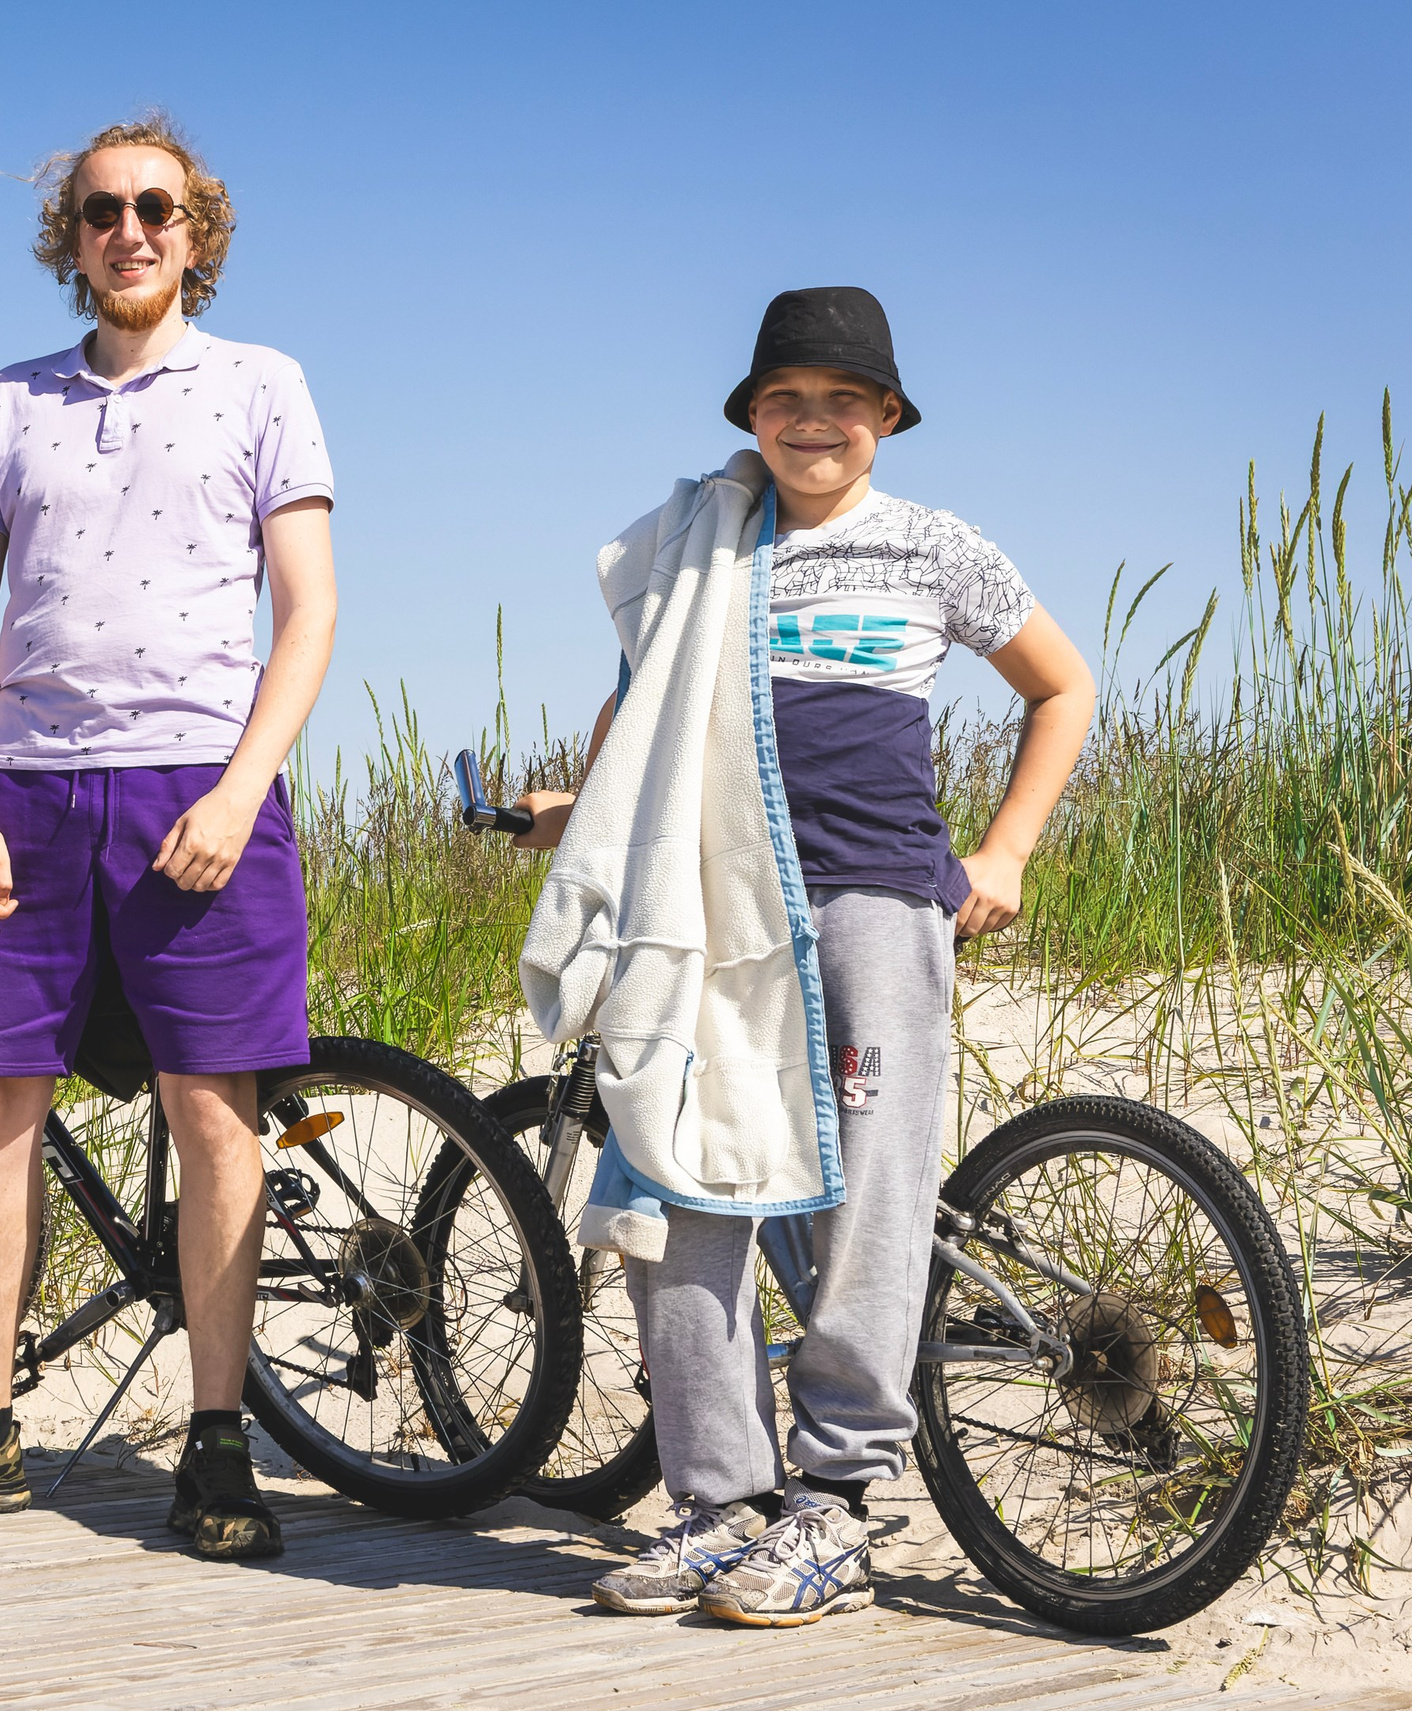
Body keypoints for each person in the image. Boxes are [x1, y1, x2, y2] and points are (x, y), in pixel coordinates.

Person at [512, 287, 1095, 1623]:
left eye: (842, 399)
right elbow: (646, 713)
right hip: (710, 907)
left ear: (886, 416)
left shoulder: (934, 548)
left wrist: (1003, 853)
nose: (813, 421)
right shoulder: (711, 548)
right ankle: (719, 1502)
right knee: (676, 1185)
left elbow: (1062, 685)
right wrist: (572, 809)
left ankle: (833, 1507)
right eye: (787, 399)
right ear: (752, 417)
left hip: (875, 901)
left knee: (868, 1200)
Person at [0, 115, 338, 1561]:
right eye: (102, 210)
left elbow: (311, 610)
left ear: (198, 229)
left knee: (212, 1110)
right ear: (74, 237)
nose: (130, 230)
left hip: (194, 786)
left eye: (157, 207)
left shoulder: (262, 385)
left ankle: (219, 1446)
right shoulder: (10, 399)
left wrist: (238, 791)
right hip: (29, 797)